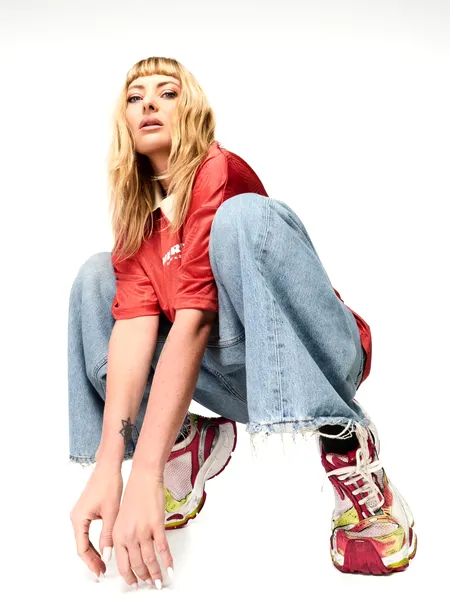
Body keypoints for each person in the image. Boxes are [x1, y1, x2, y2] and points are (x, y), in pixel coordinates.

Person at [68, 56, 417, 590]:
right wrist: (110, 465)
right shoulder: (140, 215)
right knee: (97, 278)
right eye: (136, 97)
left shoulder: (217, 171)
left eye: (167, 92)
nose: (149, 103)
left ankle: (348, 446)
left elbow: (194, 324)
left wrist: (145, 475)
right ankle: (184, 443)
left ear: (191, 110)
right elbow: (133, 333)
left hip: (314, 354)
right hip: (239, 383)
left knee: (244, 218)